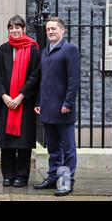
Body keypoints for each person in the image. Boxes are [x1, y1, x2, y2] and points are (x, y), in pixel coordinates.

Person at [34, 16, 81, 196]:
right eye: (48, 29)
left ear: (62, 30)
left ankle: (66, 182)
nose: (50, 32)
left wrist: (68, 102)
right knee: (53, 149)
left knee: (67, 150)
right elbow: (42, 81)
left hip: (63, 109)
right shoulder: (45, 51)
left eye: (54, 29)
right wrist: (39, 101)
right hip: (47, 108)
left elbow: (74, 80)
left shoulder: (70, 50)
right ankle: (53, 177)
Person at [0, 15, 40, 188]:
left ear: (24, 29)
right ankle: (8, 175)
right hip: (6, 102)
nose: (14, 30)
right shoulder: (2, 50)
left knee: (23, 142)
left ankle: (21, 176)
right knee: (6, 142)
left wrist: (21, 96)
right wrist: (4, 96)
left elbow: (35, 76)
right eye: (11, 28)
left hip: (24, 103)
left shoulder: (33, 50)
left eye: (17, 27)